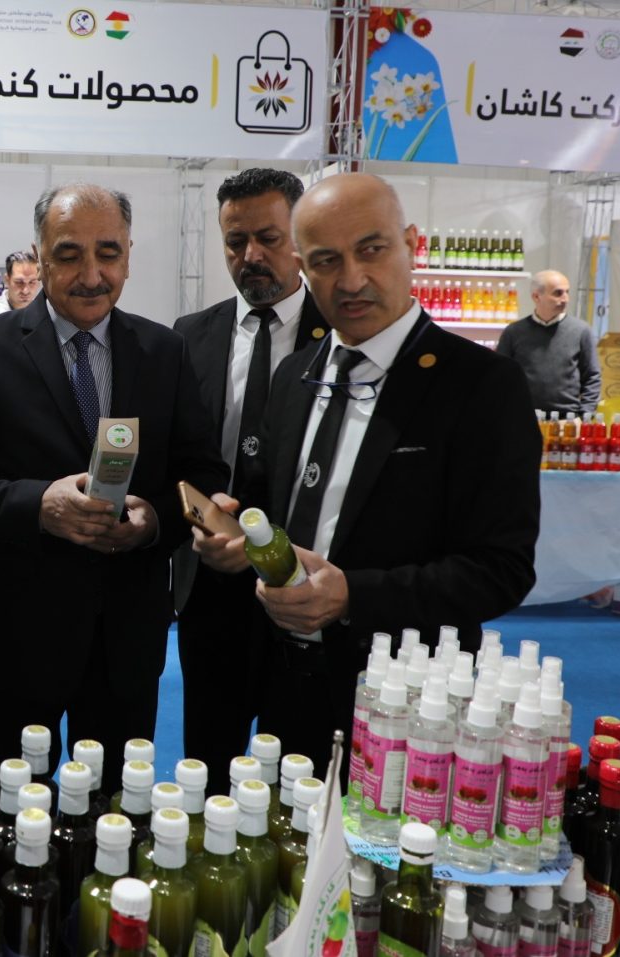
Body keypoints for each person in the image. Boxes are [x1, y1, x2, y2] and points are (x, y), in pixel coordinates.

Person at [198, 173, 540, 766]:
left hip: (403, 702)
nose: (351, 279)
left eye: (371, 250)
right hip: (283, 686)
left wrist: (353, 595)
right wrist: (237, 534)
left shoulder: (480, 386)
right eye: (327, 260)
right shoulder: (295, 378)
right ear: (303, 266)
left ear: (412, 245)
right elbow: (268, 510)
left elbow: (501, 570)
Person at [0, 183, 228, 771]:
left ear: (129, 256)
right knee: (3, 814)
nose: (91, 275)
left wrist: (153, 521)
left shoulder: (165, 352)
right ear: (39, 257)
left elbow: (202, 471)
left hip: (125, 646)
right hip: (13, 642)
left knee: (115, 810)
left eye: (108, 253)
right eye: (68, 255)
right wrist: (40, 504)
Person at [171, 169, 329, 795]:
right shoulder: (189, 336)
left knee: (299, 771)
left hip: (305, 583)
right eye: (236, 242)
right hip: (211, 585)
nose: (251, 255)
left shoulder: (341, 334)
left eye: (269, 238)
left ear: (301, 240)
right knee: (208, 764)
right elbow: (181, 450)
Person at [495, 269, 602, 416]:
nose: (565, 299)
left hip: (567, 418)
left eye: (567, 292)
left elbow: (592, 376)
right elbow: (500, 376)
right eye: (558, 293)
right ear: (536, 297)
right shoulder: (514, 332)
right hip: (523, 415)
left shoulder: (581, 331)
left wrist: (586, 413)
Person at [0, 249, 41, 319]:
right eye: (19, 282)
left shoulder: (42, 309)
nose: (25, 291)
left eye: (32, 282)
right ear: (7, 280)